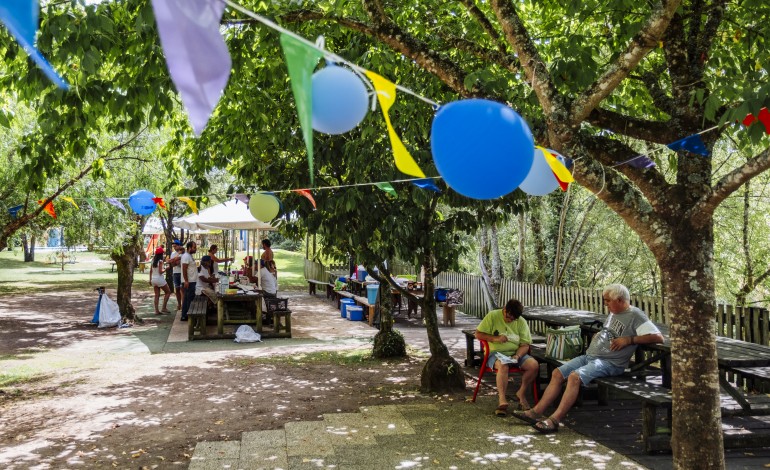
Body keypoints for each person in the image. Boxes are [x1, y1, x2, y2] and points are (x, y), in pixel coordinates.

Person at [513, 284, 664, 433]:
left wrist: (629, 340)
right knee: (557, 373)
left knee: (574, 377)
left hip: (609, 362)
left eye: (607, 300)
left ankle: (554, 420)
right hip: (590, 356)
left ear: (619, 300)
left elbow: (658, 337)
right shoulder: (614, 312)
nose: (605, 304)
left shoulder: (635, 315)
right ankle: (535, 412)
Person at [475, 299, 539, 417]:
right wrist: (496, 339)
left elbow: (525, 345)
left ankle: (521, 392)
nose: (510, 320)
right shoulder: (493, 316)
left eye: (513, 319)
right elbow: (478, 334)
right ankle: (502, 400)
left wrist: (518, 355)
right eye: (508, 317)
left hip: (515, 353)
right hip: (495, 353)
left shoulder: (521, 322)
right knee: (503, 365)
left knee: (534, 365)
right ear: (505, 310)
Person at [149, 246, 171, 315]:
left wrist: (150, 279)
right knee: (168, 292)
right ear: (161, 254)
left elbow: (150, 271)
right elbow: (161, 271)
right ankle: (164, 307)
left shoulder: (153, 261)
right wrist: (166, 269)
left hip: (153, 279)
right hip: (159, 279)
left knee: (156, 295)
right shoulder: (160, 261)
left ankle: (156, 310)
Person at [180, 241, 198, 322]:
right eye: (194, 247)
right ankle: (185, 315)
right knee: (188, 299)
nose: (195, 249)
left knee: (189, 298)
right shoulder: (186, 256)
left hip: (192, 280)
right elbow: (184, 268)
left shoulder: (189, 256)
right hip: (189, 281)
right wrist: (186, 281)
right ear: (189, 248)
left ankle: (186, 315)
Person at [167, 239, 184, 311]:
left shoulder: (183, 253)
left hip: (182, 272)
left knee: (182, 289)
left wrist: (174, 261)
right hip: (175, 273)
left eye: (175, 246)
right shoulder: (173, 254)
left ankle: (183, 305)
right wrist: (174, 261)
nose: (174, 248)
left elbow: (179, 263)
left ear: (179, 246)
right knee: (177, 289)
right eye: (173, 246)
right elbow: (172, 264)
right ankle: (179, 304)